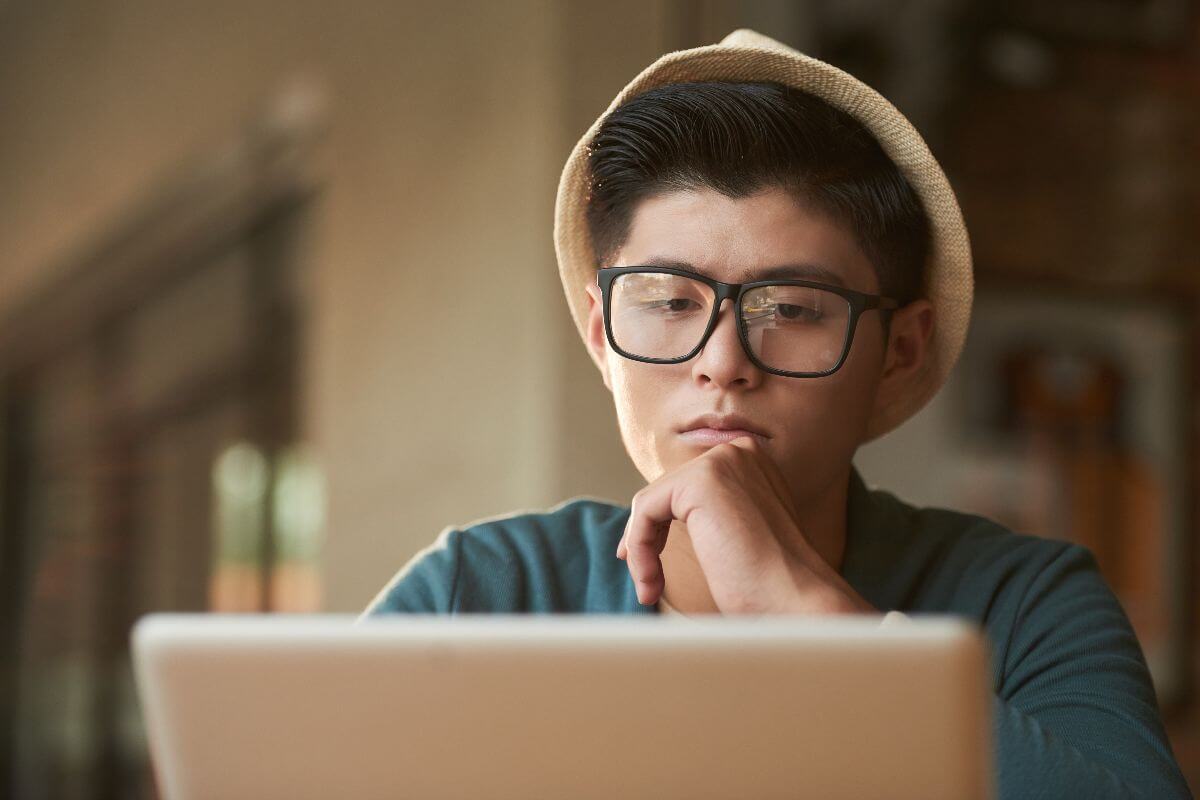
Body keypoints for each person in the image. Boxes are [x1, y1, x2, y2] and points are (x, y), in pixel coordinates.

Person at [360, 29, 1191, 799]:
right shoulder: (485, 593)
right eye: (668, 302)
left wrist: (796, 602)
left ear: (899, 349)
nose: (723, 362)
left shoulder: (1020, 604)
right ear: (600, 333)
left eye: (791, 309)